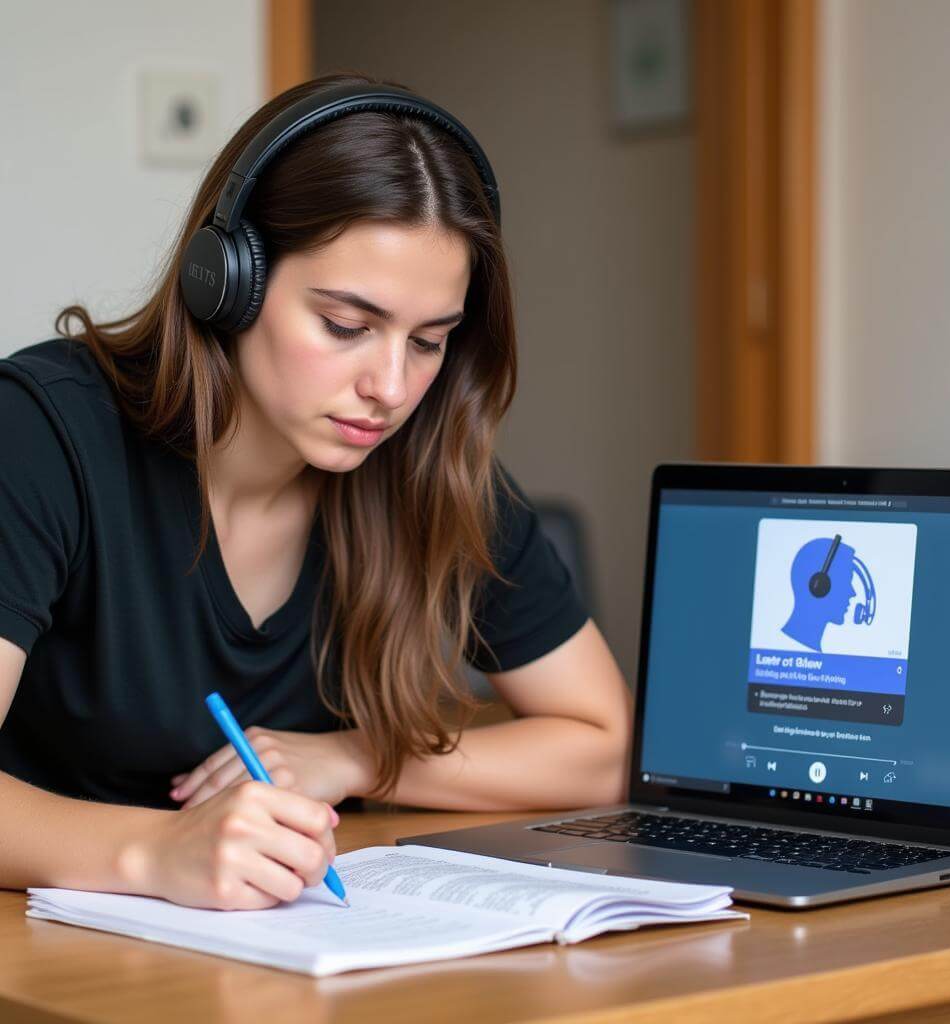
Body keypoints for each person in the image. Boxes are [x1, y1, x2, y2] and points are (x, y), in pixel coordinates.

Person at [0, 72, 632, 911]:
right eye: (346, 327)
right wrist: (157, 853)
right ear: (225, 281)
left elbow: (602, 743)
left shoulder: (424, 462)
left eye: (431, 341)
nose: (392, 387)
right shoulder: (42, 433)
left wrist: (355, 756)